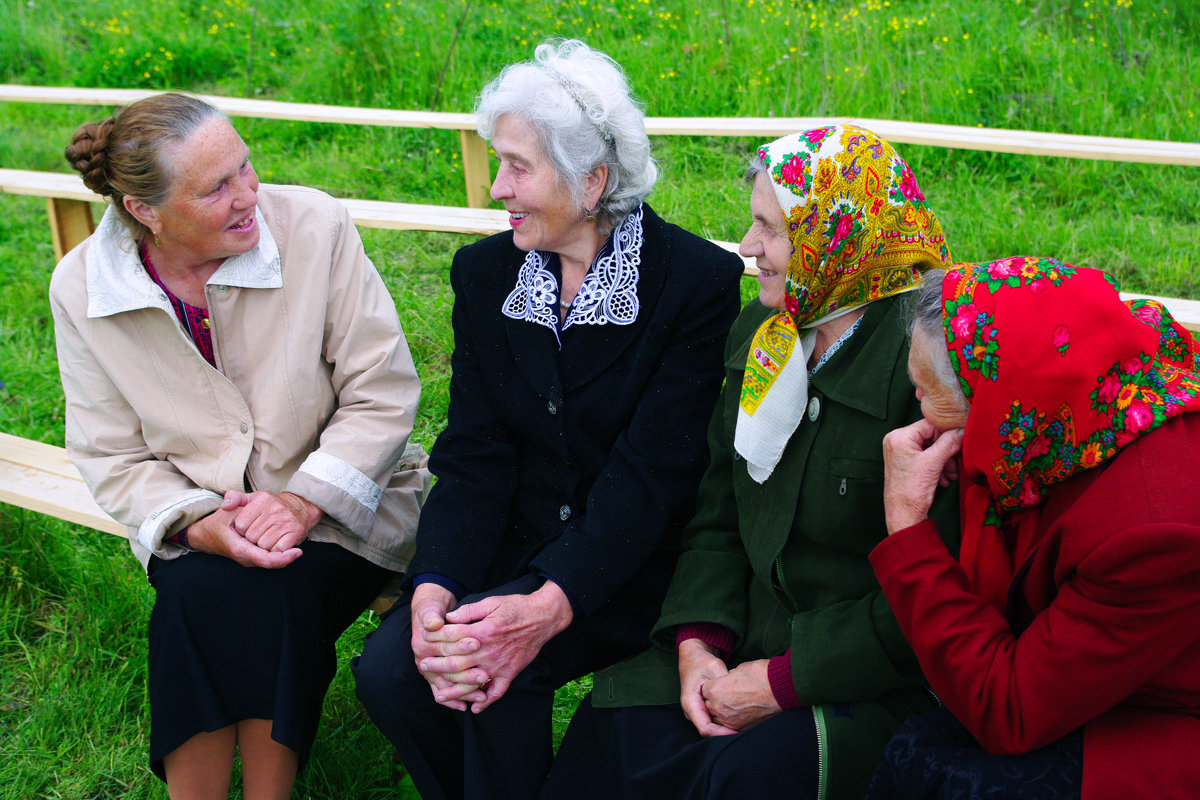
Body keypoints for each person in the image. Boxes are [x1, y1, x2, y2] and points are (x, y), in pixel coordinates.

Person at [350, 39, 744, 800]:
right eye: (497, 162)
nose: (496, 188)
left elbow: (651, 477)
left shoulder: (694, 283)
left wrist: (546, 606)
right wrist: (435, 584)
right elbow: (473, 454)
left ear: (592, 180)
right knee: (392, 674)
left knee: (503, 674)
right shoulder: (487, 273)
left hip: (631, 560)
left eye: (517, 166)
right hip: (509, 545)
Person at [542, 125, 960, 800]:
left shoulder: (920, 366)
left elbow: (932, 588)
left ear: (837, 240)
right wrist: (698, 643)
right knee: (614, 732)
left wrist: (781, 682)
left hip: (865, 679)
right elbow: (717, 513)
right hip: (742, 641)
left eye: (771, 228)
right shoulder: (762, 336)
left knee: (745, 780)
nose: (749, 247)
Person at [51, 92, 429, 799]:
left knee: (271, 588)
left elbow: (382, 393)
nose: (248, 193)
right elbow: (111, 454)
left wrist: (300, 501)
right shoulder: (82, 288)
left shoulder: (314, 226)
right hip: (204, 517)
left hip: (347, 506)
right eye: (217, 187)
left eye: (245, 168)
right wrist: (199, 522)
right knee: (199, 590)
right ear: (145, 212)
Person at [867, 259, 1200, 799]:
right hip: (1102, 683)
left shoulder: (1151, 531)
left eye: (924, 394)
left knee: (941, 772)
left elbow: (1009, 712)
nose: (915, 412)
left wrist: (906, 525)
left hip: (1164, 723)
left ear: (998, 406)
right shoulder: (1074, 406)